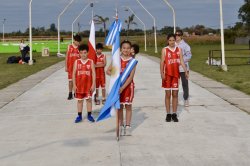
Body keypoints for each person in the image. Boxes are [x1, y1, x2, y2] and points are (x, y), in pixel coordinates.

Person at [107, 40, 137, 136]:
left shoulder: (132, 61)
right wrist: (114, 75)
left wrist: (123, 87)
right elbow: (108, 71)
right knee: (119, 107)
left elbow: (131, 77)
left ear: (131, 49)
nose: (126, 50)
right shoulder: (116, 59)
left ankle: (127, 126)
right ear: (121, 49)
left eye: (128, 48)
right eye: (124, 48)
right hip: (117, 88)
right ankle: (120, 124)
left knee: (128, 106)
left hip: (128, 87)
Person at [160, 34, 188, 122]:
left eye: (173, 40)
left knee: (175, 94)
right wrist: (161, 73)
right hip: (167, 75)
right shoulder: (165, 50)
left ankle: (174, 114)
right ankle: (168, 113)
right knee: (168, 94)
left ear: (175, 41)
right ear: (168, 41)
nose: (172, 42)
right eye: (170, 40)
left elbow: (182, 61)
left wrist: (186, 71)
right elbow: (161, 62)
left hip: (176, 75)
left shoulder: (179, 49)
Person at [72, 44, 96, 123]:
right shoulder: (77, 61)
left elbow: (93, 73)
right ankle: (79, 115)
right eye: (81, 53)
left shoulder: (91, 62)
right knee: (79, 101)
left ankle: (89, 115)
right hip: (79, 86)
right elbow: (73, 74)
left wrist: (93, 84)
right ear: (79, 53)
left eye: (85, 53)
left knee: (89, 100)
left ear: (88, 53)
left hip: (88, 85)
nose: (83, 54)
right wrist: (74, 85)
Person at [175, 30, 192, 107]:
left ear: (181, 36)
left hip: (183, 68)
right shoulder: (173, 44)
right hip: (174, 68)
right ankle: (175, 99)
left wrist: (181, 60)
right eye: (176, 35)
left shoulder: (185, 45)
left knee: (185, 84)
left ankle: (186, 99)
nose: (177, 36)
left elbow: (189, 56)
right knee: (175, 84)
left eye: (178, 35)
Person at [65, 34, 81, 100]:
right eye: (77, 41)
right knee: (70, 81)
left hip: (77, 67)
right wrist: (66, 66)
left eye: (79, 42)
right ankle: (70, 93)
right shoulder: (69, 47)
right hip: (70, 67)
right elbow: (66, 57)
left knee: (77, 80)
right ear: (74, 40)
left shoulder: (79, 48)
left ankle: (76, 92)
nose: (78, 43)